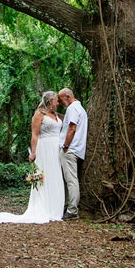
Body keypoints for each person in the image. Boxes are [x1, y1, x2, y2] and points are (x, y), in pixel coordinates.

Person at [0, 91, 65, 224]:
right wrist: (33, 152)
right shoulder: (39, 114)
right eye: (57, 100)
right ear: (50, 101)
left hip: (56, 149)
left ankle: (55, 207)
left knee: (55, 176)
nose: (59, 103)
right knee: (44, 177)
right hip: (44, 148)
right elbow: (34, 134)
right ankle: (44, 208)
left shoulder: (56, 115)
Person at [58, 87, 88, 221]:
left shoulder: (72, 108)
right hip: (77, 149)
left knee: (71, 181)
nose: (60, 102)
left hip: (70, 149)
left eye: (61, 99)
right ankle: (67, 206)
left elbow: (72, 128)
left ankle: (72, 210)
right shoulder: (79, 108)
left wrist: (65, 146)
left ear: (68, 96)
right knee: (70, 180)